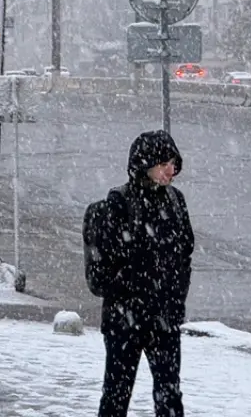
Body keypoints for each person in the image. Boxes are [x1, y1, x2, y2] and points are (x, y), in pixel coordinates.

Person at [97, 130, 194, 417]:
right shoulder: (119, 202)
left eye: (174, 162)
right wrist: (133, 296)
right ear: (145, 164)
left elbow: (184, 254)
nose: (171, 169)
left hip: (164, 319)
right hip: (125, 319)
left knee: (170, 396)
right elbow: (107, 264)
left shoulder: (175, 200)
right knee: (116, 394)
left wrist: (174, 300)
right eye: (164, 163)